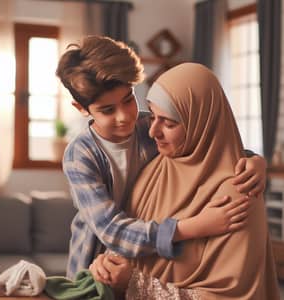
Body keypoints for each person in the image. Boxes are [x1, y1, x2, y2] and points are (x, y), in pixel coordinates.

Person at [56, 35, 267, 280]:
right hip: (98, 262)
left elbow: (207, 144)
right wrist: (194, 226)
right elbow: (111, 230)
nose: (124, 116)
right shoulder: (80, 155)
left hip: (148, 258)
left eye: (128, 99)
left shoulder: (149, 125)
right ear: (81, 109)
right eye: (107, 110)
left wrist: (253, 160)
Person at [90, 63, 279, 299]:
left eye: (169, 123)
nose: (153, 132)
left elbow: (232, 296)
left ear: (202, 123)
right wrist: (107, 265)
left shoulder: (240, 189)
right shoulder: (152, 172)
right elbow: (128, 244)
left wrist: (135, 284)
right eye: (152, 117)